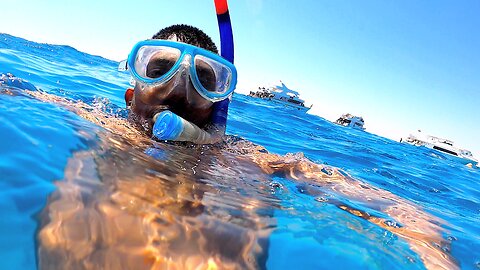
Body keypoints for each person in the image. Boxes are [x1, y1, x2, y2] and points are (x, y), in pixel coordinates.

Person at [123, 24, 236, 142]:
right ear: (130, 100)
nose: (179, 90)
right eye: (159, 73)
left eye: (202, 81)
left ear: (213, 113)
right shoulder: (107, 136)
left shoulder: (240, 157)